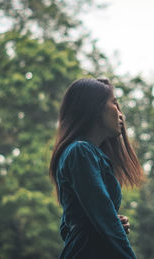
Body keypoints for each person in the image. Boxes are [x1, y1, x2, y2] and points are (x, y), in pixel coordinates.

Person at [49, 78, 145, 258]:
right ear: (95, 107)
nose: (120, 114)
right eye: (115, 104)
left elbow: (68, 227)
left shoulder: (86, 155)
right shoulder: (80, 152)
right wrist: (106, 223)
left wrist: (101, 223)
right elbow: (104, 220)